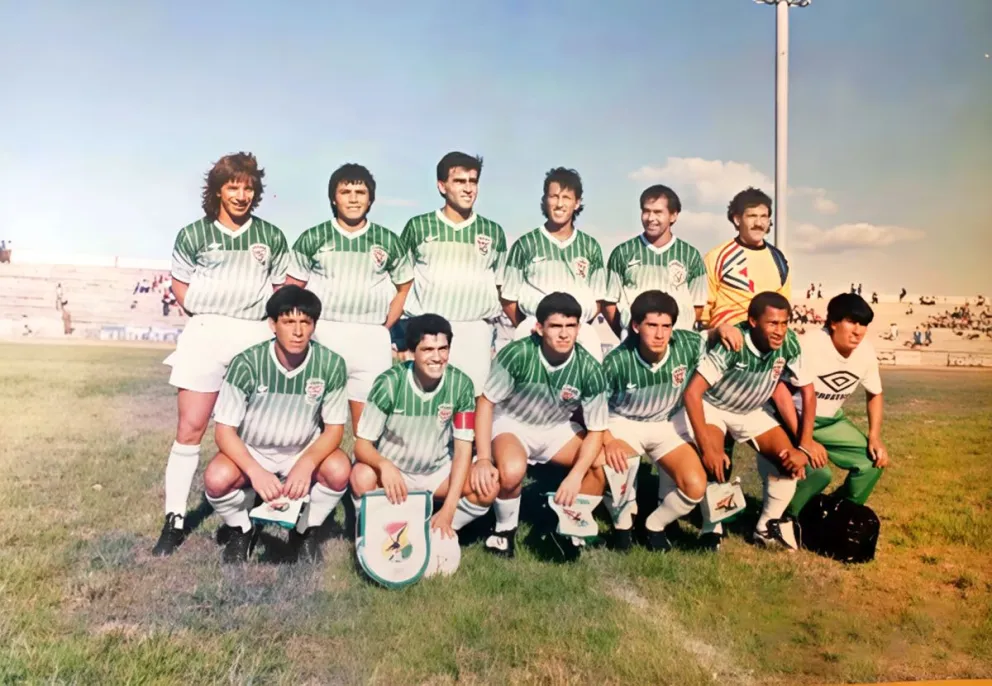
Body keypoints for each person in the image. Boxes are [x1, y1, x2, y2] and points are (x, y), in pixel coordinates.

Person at [153, 152, 290, 557]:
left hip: (253, 334)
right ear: (217, 190)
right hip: (206, 331)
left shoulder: (272, 237)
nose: (241, 194)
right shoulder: (193, 234)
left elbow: (280, 290)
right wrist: (207, 319)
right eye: (233, 186)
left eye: (248, 187)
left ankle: (245, 515)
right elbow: (180, 288)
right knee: (191, 428)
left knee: (253, 431)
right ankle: (176, 518)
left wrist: (263, 329)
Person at [203, 286, 351, 563]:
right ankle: (242, 529)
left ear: (313, 325)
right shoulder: (248, 363)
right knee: (216, 478)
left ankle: (304, 529)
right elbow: (224, 431)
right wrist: (256, 472)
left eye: (305, 322)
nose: (298, 331)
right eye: (288, 322)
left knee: (340, 469)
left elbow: (334, 430)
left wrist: (306, 464)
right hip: (254, 450)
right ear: (273, 325)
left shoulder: (331, 364)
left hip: (301, 449)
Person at [680, 292, 819, 550]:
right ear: (753, 321)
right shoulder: (734, 342)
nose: (780, 330)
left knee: (790, 461)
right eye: (772, 323)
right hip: (714, 406)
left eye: (784, 322)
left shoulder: (789, 343)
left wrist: (804, 446)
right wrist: (708, 449)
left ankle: (765, 527)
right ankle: (712, 529)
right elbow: (692, 393)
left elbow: (808, 393)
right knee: (715, 462)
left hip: (752, 410)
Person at [476, 292, 609, 557]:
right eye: (556, 326)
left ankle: (572, 524)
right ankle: (504, 530)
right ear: (539, 328)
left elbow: (596, 430)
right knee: (513, 470)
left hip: (556, 427)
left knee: (600, 463)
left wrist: (574, 476)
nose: (564, 334)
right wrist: (482, 458)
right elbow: (486, 403)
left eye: (570, 326)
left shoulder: (590, 368)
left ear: (579, 328)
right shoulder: (518, 353)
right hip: (514, 423)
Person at [286, 163, 413, 433]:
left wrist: (385, 325)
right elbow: (292, 290)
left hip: (371, 336)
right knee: (314, 418)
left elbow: (404, 286)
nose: (353, 198)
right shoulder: (313, 237)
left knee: (369, 426)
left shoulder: (388, 240)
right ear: (334, 197)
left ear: (370, 198)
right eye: (345, 191)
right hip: (325, 333)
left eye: (360, 191)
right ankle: (318, 476)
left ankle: (365, 475)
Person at [350, 314, 496, 544]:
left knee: (488, 485)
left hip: (436, 473)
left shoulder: (462, 385)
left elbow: (462, 450)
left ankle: (434, 530)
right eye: (427, 349)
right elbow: (362, 444)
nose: (437, 357)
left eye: (443, 349)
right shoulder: (388, 383)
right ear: (410, 352)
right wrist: (384, 465)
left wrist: (449, 509)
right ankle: (369, 536)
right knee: (361, 475)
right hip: (395, 474)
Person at [600, 290, 708, 551]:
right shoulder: (616, 361)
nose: (660, 334)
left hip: (666, 423)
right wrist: (609, 440)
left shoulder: (687, 344)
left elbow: (710, 337)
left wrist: (723, 329)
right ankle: (623, 524)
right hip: (624, 421)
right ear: (636, 326)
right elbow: (594, 409)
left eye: (666, 326)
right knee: (618, 465)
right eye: (652, 325)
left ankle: (654, 525)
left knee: (695, 486)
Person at [771, 293, 889, 519]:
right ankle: (785, 518)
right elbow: (779, 390)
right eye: (851, 321)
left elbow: (875, 393)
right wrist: (805, 440)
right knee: (818, 473)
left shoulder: (865, 350)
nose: (858, 330)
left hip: (829, 420)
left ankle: (837, 514)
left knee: (873, 462)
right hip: (791, 418)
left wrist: (874, 436)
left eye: (863, 324)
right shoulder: (810, 344)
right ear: (833, 322)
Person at [399, 152, 508, 397]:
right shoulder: (418, 227)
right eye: (460, 181)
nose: (468, 188)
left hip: (475, 328)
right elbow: (401, 283)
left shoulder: (492, 231)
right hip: (430, 328)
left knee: (474, 397)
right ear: (442, 186)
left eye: (473, 181)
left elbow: (502, 287)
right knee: (427, 401)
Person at [500, 167, 608, 361]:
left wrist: (572, 327)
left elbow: (598, 300)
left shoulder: (591, 247)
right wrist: (536, 327)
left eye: (566, 197)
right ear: (545, 200)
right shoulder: (525, 244)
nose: (559, 204)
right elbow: (508, 298)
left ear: (577, 203)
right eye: (554, 197)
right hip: (534, 329)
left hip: (579, 332)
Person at [602, 184, 707, 338]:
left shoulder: (691, 255)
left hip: (677, 343)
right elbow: (610, 303)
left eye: (658, 212)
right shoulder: (622, 252)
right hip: (635, 344)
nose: (651, 218)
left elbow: (697, 305)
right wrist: (628, 336)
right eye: (646, 211)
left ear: (673, 215)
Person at [702, 187, 791, 332]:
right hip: (728, 346)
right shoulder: (717, 256)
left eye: (764, 216)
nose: (758, 223)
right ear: (737, 219)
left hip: (766, 347)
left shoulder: (779, 260)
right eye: (752, 216)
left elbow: (784, 307)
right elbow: (703, 311)